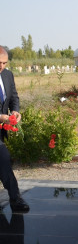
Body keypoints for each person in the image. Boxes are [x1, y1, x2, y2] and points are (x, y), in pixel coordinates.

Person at [0, 46, 29, 212]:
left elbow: (14, 97)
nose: (1, 66)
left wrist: (16, 111)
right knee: (4, 159)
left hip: (2, 129)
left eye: (4, 63)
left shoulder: (8, 75)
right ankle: (15, 199)